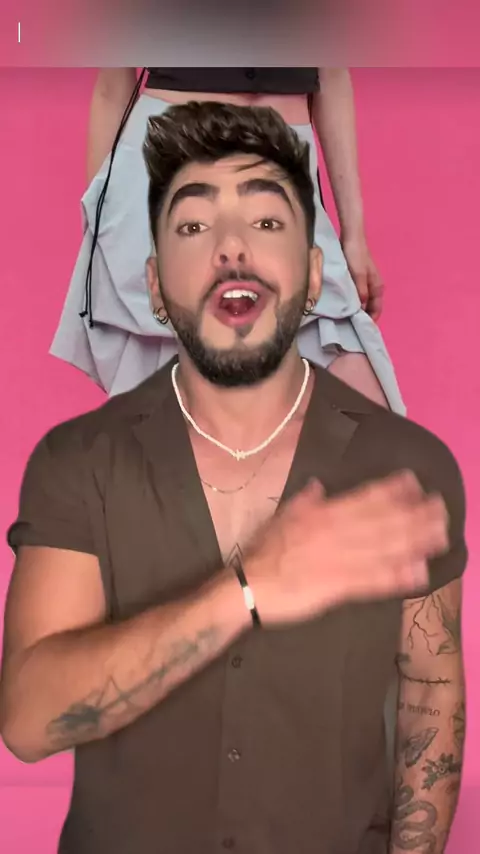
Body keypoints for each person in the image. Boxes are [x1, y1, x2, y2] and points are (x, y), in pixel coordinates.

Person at [1, 103, 466, 854]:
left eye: (267, 221)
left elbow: (431, 692)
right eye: (192, 226)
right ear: (155, 287)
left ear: (314, 277)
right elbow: (28, 722)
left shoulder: (407, 466)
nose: (231, 247)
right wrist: (246, 592)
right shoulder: (78, 463)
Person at [50, 67, 405, 411]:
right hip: (170, 165)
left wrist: (354, 235)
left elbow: (332, 74)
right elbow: (112, 86)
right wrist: (98, 227)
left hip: (282, 167)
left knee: (363, 416)